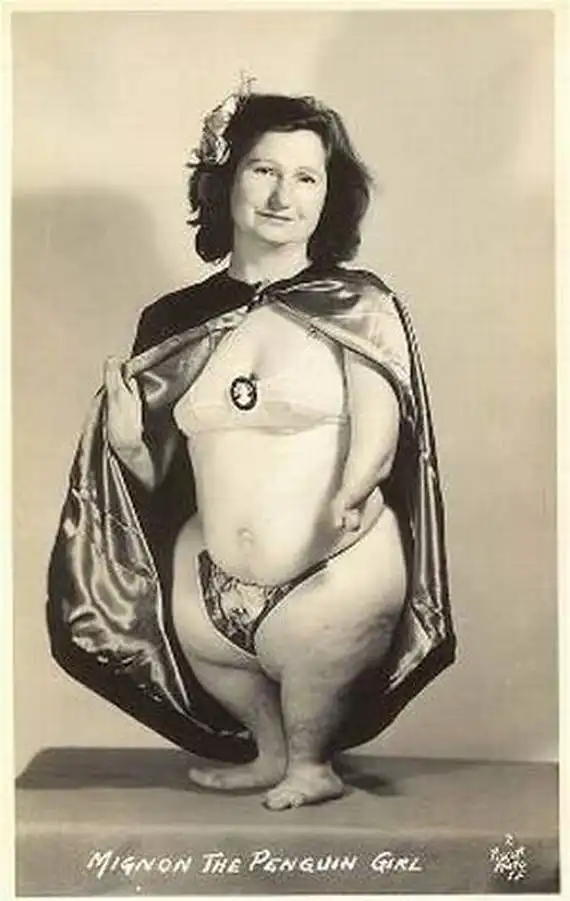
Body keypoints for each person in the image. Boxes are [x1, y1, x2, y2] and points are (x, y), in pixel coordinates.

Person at [47, 87, 455, 811]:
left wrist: (357, 484)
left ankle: (311, 762)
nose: (282, 196)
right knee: (217, 652)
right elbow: (168, 485)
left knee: (322, 657)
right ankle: (271, 752)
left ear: (329, 197)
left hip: (333, 570)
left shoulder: (357, 304)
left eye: (306, 178)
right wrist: (130, 448)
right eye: (264, 170)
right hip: (208, 589)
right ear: (226, 179)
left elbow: (382, 414)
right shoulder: (172, 320)